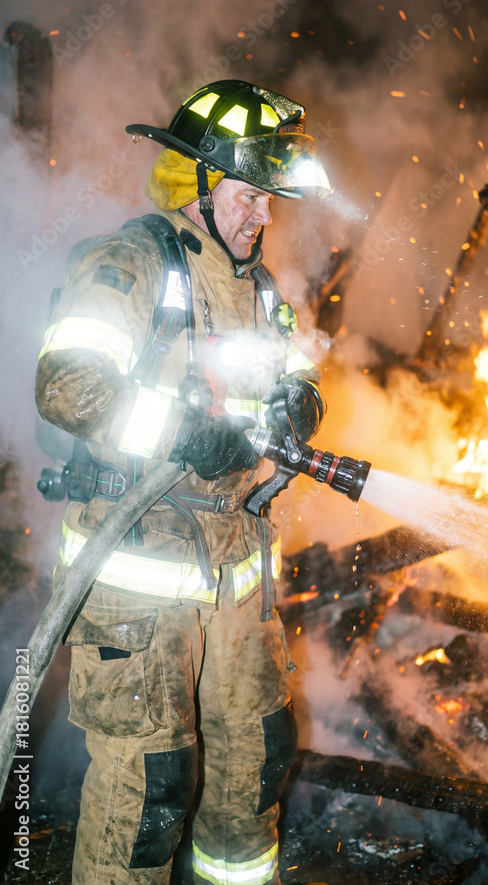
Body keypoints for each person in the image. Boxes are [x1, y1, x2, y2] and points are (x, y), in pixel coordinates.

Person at [35, 79, 332, 885]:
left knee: (254, 764)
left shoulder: (259, 288)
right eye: (247, 195)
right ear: (196, 183)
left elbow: (293, 366)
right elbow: (67, 384)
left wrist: (302, 397)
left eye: (268, 199)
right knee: (149, 796)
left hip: (237, 569)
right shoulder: (135, 261)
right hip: (141, 568)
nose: (261, 215)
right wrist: (178, 430)